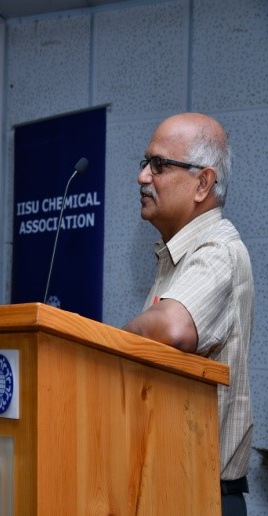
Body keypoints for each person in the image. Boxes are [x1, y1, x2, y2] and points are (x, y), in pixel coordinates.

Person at [123, 113, 254, 516]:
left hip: (203, 498)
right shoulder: (176, 258)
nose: (143, 177)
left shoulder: (218, 250)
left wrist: (110, 341)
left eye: (159, 165)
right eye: (145, 163)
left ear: (202, 183)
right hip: (171, 492)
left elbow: (173, 327)